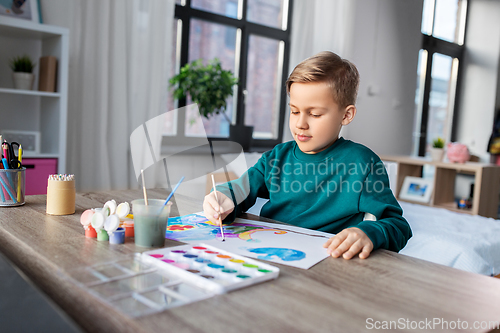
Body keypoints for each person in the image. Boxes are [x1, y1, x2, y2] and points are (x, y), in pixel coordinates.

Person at [203, 51, 412, 260]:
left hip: (325, 265)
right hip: (268, 254)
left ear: (346, 115)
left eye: (315, 114)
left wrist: (369, 233)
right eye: (294, 111)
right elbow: (241, 189)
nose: (300, 123)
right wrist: (223, 198)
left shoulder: (363, 164)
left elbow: (398, 226)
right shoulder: (276, 158)